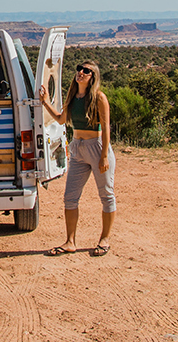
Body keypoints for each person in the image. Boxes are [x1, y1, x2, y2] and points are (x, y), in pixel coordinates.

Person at [40, 60, 115, 256]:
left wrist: (104, 156)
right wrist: (46, 101)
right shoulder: (73, 97)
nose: (80, 72)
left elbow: (106, 127)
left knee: (106, 196)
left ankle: (104, 239)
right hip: (78, 148)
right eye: (79, 69)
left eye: (86, 71)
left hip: (97, 148)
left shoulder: (99, 98)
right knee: (70, 198)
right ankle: (70, 242)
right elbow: (61, 119)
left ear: (93, 77)